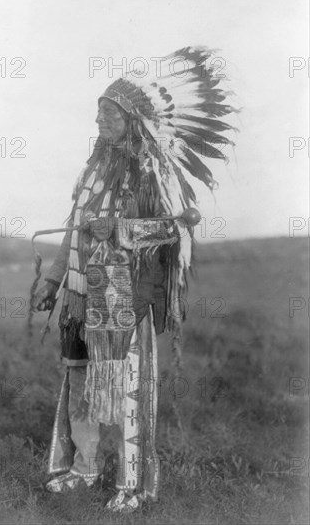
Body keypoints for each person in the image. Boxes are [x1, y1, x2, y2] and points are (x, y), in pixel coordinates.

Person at [33, 46, 238, 513]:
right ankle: (83, 468)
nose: (100, 121)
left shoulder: (151, 172)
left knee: (127, 389)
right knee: (81, 383)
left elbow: (179, 225)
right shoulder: (94, 169)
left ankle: (132, 483)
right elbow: (73, 225)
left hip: (125, 301)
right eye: (99, 113)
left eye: (109, 114)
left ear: (132, 120)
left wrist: (122, 230)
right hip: (82, 299)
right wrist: (52, 279)